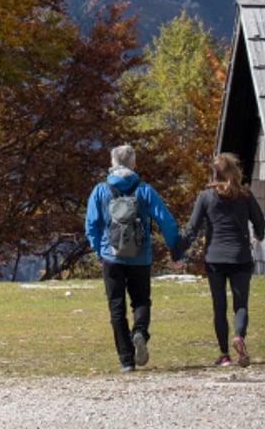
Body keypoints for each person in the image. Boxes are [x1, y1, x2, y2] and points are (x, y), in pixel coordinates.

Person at [85, 144, 182, 372]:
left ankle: (126, 360)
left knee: (116, 308)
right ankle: (139, 332)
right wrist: (176, 250)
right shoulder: (145, 190)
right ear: (133, 164)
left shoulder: (101, 190)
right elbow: (166, 222)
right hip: (140, 257)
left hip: (112, 257)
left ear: (112, 164)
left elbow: (91, 224)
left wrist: (100, 250)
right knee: (141, 301)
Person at [179, 152, 265, 367]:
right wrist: (259, 234)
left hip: (215, 257)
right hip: (240, 256)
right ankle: (238, 336)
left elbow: (192, 229)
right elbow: (260, 221)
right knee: (241, 305)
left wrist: (177, 250)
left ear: (215, 173)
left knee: (219, 307)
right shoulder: (245, 195)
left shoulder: (206, 197)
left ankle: (224, 354)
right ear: (235, 171)